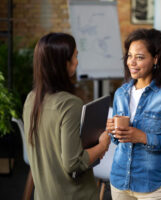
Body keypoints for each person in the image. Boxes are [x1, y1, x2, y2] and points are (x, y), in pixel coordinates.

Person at [23, 32, 111, 199]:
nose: (77, 62)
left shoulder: (31, 99)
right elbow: (73, 163)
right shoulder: (69, 104)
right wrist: (103, 144)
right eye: (75, 56)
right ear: (62, 63)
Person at [105, 28, 161, 200]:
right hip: (119, 182)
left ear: (156, 59)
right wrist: (113, 131)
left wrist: (143, 137)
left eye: (140, 57)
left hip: (151, 186)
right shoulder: (121, 93)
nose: (131, 62)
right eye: (129, 56)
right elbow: (117, 141)